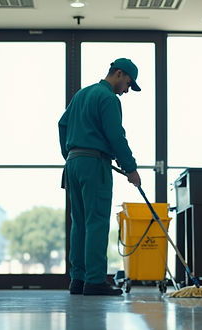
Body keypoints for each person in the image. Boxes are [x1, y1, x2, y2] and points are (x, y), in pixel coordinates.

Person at [58, 57, 143, 296]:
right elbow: (116, 136)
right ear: (118, 73)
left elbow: (62, 125)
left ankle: (78, 280)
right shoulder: (108, 98)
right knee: (96, 221)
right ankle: (94, 281)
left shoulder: (81, 95)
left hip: (73, 163)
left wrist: (71, 152)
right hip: (93, 164)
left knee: (80, 222)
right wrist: (131, 168)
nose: (126, 90)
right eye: (128, 83)